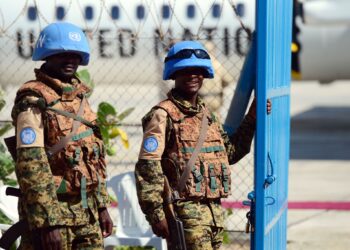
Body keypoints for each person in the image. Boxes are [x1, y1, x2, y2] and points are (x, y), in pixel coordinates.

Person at [134, 40, 271, 249]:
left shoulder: (208, 116)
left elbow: (231, 153)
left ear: (204, 74)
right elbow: (148, 169)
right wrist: (155, 215)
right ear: (173, 74)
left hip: (214, 215)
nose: (192, 76)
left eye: (197, 71)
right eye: (185, 71)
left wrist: (251, 118)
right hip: (185, 216)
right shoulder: (162, 116)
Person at [10, 22, 113, 249]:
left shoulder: (80, 98)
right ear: (47, 55)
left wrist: (102, 206)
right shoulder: (33, 99)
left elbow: (93, 160)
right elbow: (31, 164)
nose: (70, 60)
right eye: (61, 54)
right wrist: (48, 223)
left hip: (88, 214)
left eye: (75, 54)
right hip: (55, 216)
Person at [199, 41, 234, 114]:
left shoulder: (200, 65)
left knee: (204, 121)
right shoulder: (218, 64)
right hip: (216, 99)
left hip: (203, 99)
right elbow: (228, 80)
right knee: (216, 120)